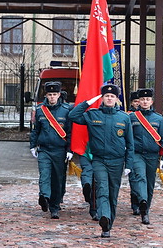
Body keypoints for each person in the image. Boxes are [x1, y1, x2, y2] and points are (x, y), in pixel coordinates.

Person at [69, 84, 134, 238]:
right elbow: (72, 116)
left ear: (117, 99)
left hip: (117, 162)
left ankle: (108, 224)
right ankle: (104, 217)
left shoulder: (124, 118)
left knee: (113, 194)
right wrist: (88, 102)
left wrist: (129, 164)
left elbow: (130, 144)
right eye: (106, 96)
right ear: (102, 98)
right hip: (99, 161)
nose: (109, 98)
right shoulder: (92, 115)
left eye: (112, 96)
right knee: (102, 190)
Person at [29, 81, 72, 219]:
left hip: (60, 150)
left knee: (57, 179)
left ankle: (55, 207)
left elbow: (70, 132)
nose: (52, 97)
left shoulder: (66, 110)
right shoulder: (41, 110)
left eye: (54, 94)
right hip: (45, 150)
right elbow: (36, 130)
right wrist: (32, 145)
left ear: (59, 95)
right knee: (44, 174)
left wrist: (70, 150)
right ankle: (44, 197)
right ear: (46, 95)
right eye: (49, 94)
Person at [129, 88, 163, 225]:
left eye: (147, 99)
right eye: (142, 99)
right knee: (140, 177)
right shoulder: (131, 117)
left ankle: (146, 210)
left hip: (152, 155)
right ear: (138, 101)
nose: (145, 102)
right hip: (137, 154)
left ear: (151, 101)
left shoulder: (158, 119)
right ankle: (142, 202)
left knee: (150, 184)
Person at [127, 91, 140, 215]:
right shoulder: (129, 116)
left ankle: (142, 201)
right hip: (133, 151)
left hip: (144, 152)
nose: (137, 104)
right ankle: (135, 204)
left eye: (139, 101)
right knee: (134, 179)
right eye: (135, 102)